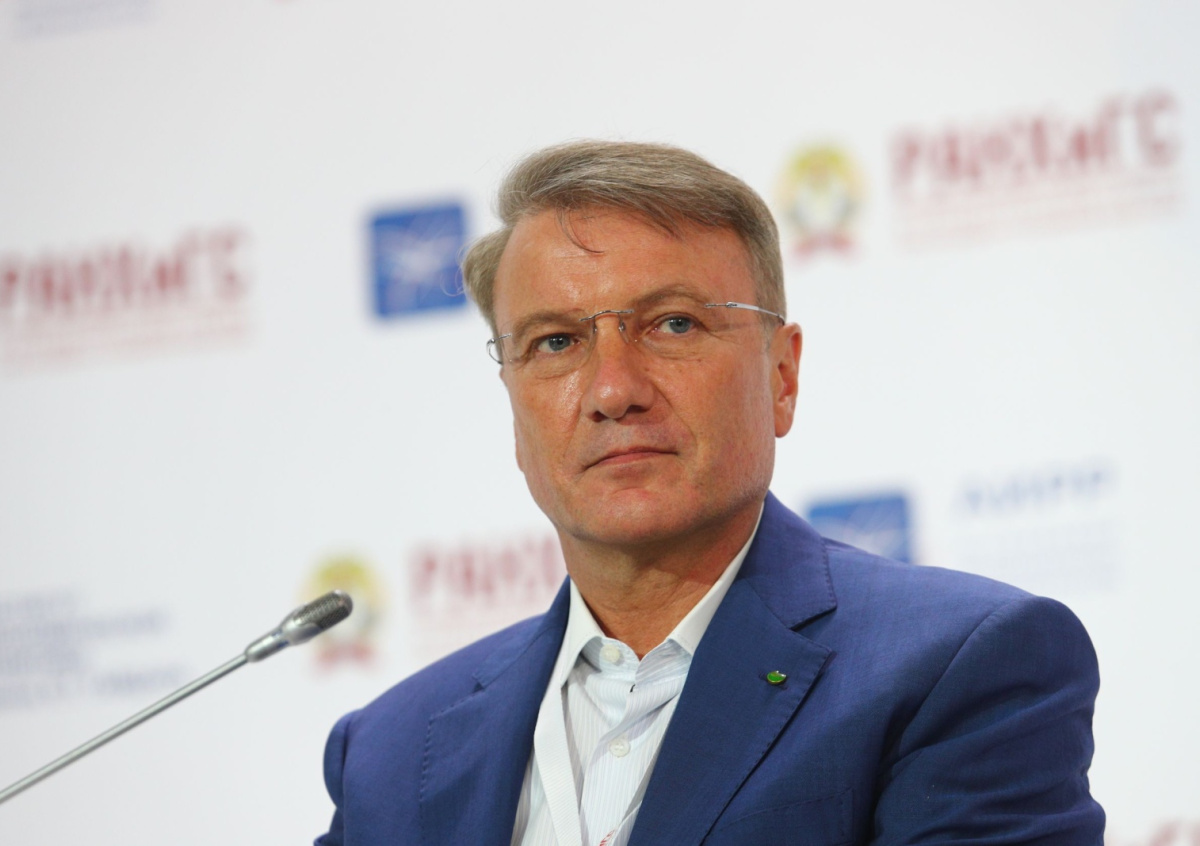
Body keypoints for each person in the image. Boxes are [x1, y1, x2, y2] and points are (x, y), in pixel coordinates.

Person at [315, 141, 1103, 845]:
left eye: (674, 325)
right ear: (514, 407)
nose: (613, 390)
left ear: (782, 376)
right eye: (556, 341)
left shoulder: (954, 669)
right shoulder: (388, 754)